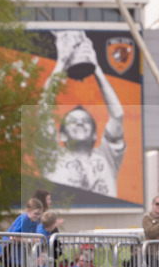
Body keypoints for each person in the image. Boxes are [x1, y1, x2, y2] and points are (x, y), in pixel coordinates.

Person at [42, 31, 126, 198]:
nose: (80, 123)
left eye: (86, 121)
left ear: (95, 134)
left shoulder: (107, 157)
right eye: (73, 122)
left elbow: (117, 115)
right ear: (63, 136)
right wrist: (61, 63)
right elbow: (43, 110)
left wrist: (96, 68)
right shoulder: (51, 156)